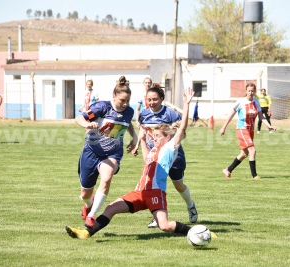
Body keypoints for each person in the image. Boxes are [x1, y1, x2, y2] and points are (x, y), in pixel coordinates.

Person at [65, 87, 200, 239]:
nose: (153, 139)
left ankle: (195, 232)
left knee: (164, 225)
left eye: (156, 136)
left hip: (155, 193)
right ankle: (85, 233)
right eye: (152, 136)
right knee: (110, 208)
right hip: (139, 193)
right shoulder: (154, 151)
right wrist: (141, 139)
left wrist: (187, 104)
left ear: (167, 137)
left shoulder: (170, 148)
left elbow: (182, 127)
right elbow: (146, 158)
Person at [75, 76, 138, 228]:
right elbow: (80, 118)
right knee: (85, 193)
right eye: (122, 100)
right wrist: (87, 125)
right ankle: (89, 204)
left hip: (112, 154)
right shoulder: (101, 107)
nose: (125, 104)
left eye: (127, 101)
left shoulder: (129, 111)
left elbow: (127, 123)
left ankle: (91, 216)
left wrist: (134, 137)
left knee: (106, 178)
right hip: (91, 151)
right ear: (114, 96)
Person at [132, 83, 198, 228]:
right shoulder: (144, 114)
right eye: (149, 100)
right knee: (155, 186)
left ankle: (190, 205)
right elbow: (144, 133)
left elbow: (182, 129)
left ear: (162, 99)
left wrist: (187, 105)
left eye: (155, 99)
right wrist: (137, 144)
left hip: (173, 157)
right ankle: (158, 217)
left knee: (178, 185)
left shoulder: (170, 114)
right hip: (155, 158)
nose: (151, 102)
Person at [220, 83, 276, 180]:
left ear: (254, 92)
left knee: (244, 154)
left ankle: (228, 170)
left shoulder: (256, 101)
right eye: (249, 91)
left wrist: (269, 126)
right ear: (246, 91)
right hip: (242, 129)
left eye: (252, 91)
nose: (250, 93)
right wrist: (223, 127)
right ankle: (254, 175)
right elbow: (231, 115)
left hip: (251, 130)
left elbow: (261, 117)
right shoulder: (240, 102)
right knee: (252, 151)